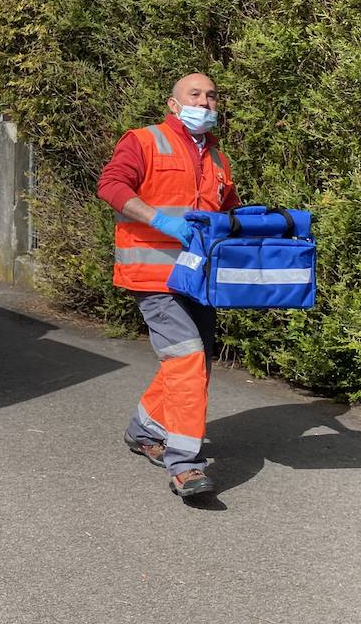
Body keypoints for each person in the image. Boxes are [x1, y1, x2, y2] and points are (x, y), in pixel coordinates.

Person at [97, 73, 238, 499]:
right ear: (174, 104)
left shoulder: (217, 157)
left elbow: (227, 212)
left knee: (194, 365)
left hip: (198, 280)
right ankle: (186, 465)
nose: (205, 101)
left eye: (211, 96)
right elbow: (111, 186)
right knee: (188, 358)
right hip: (154, 275)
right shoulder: (143, 140)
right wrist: (159, 219)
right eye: (195, 94)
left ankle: (144, 428)